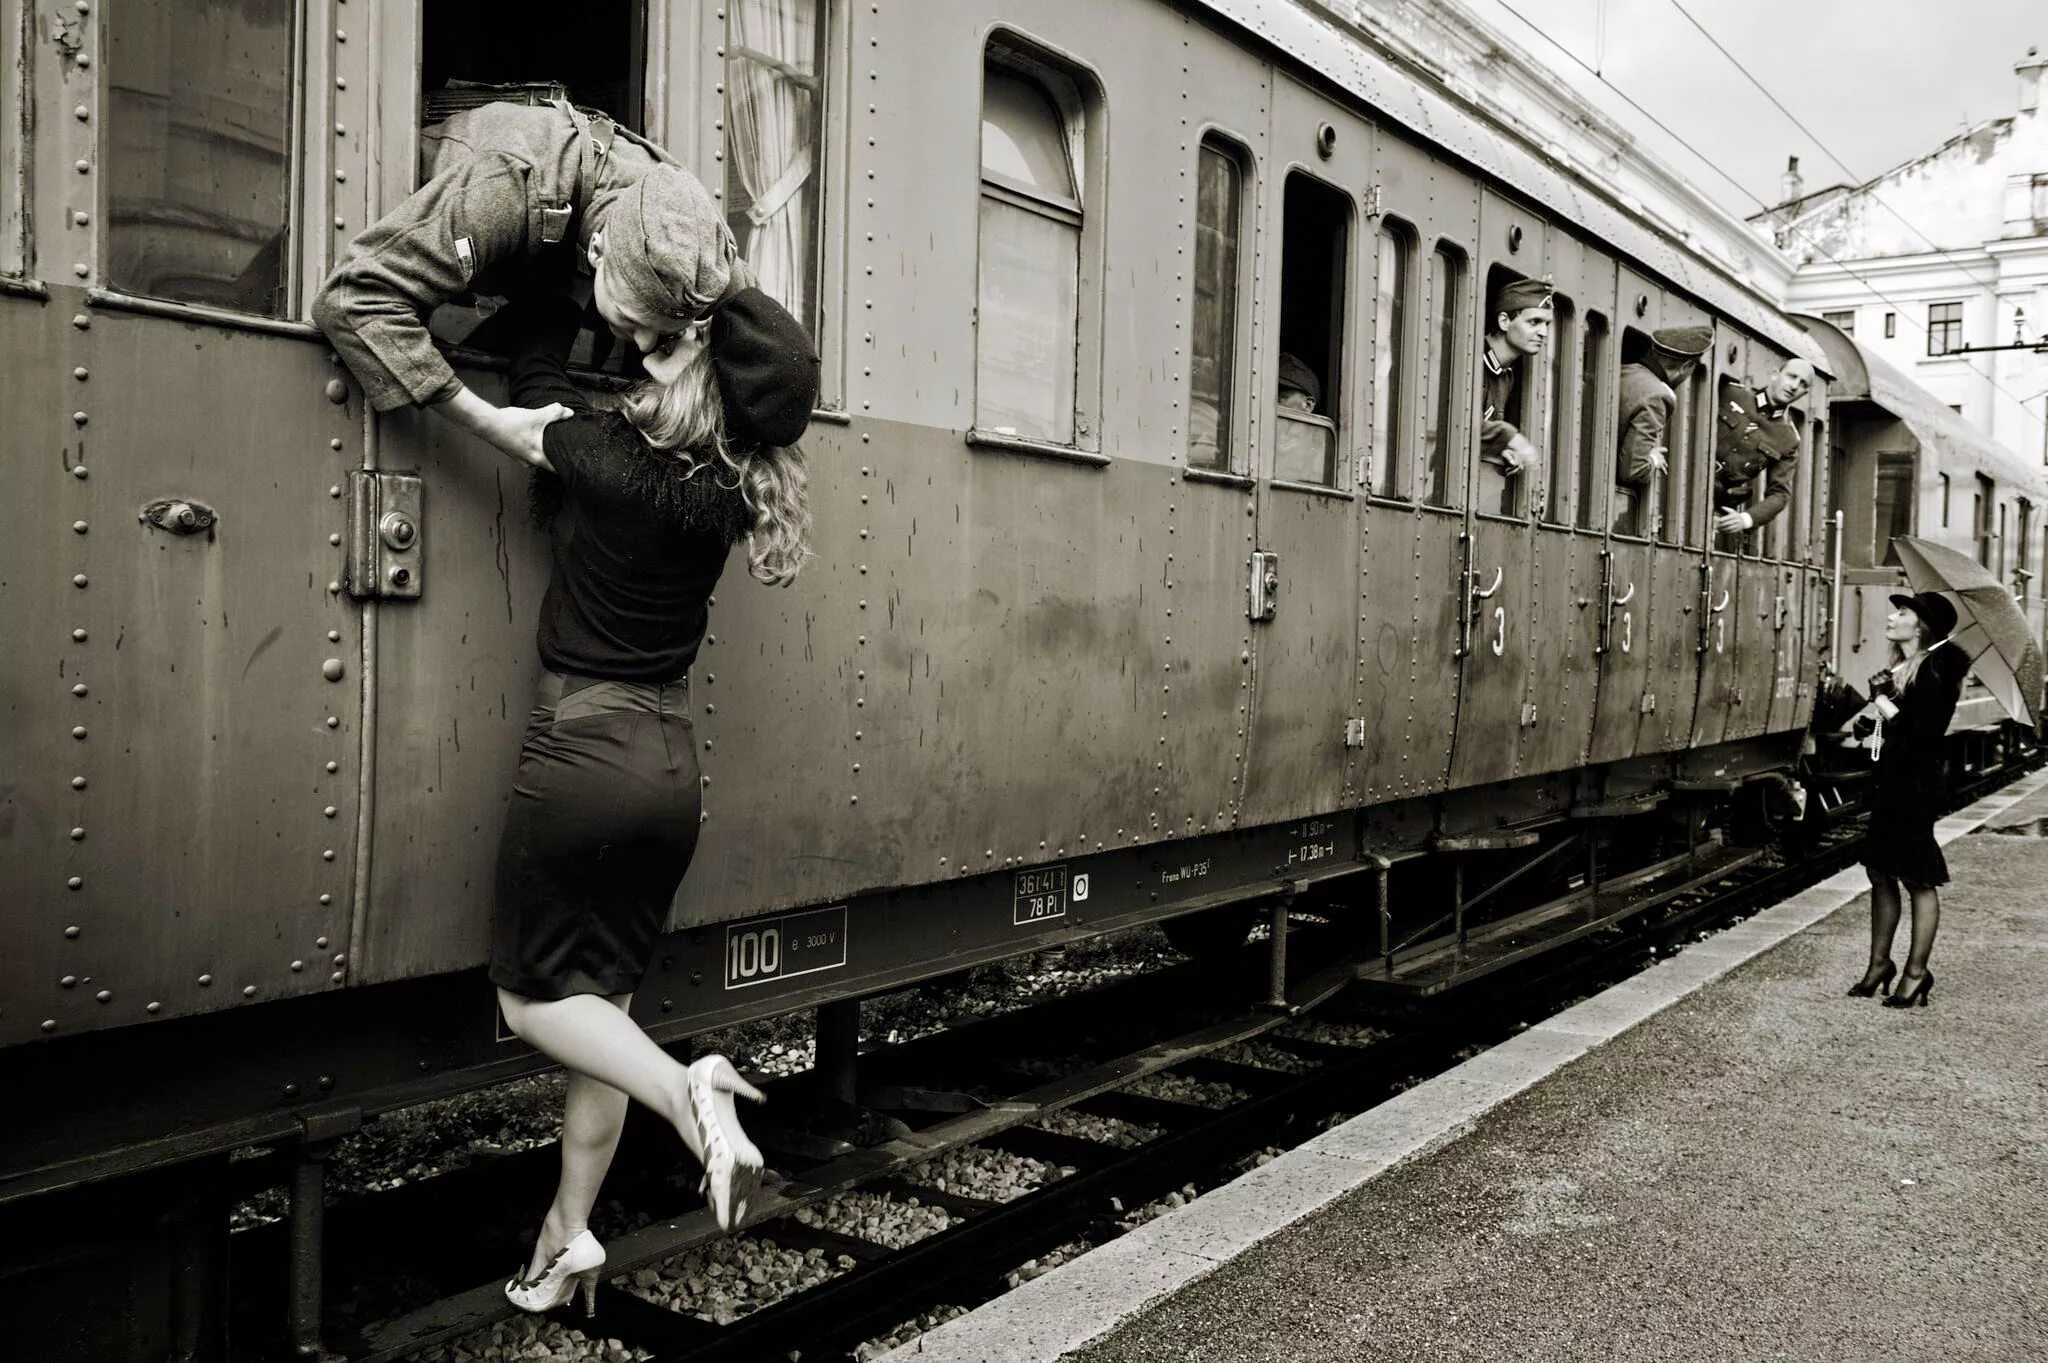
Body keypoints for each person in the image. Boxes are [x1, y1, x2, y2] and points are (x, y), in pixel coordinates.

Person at [488, 284, 819, 1316]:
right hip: (670, 767)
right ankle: (566, 1233)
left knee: (530, 1000)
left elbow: (534, 396)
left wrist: (546, 300)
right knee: (605, 1018)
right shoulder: (725, 491)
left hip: (582, 753)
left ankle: (690, 1093)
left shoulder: (602, 455)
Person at [313, 99, 742, 467]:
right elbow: (355, 298)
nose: (646, 346)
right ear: (597, 251)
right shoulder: (509, 185)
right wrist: (493, 425)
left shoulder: (702, 245)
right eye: (632, 320)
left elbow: (761, 326)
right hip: (418, 230)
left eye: (661, 334)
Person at [1848, 591, 1969, 1009]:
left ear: (1921, 627)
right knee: (1880, 871)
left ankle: (1916, 973)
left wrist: (1883, 698)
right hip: (1891, 780)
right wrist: (1872, 716)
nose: (1892, 616)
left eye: (1902, 612)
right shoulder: (1904, 668)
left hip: (1916, 786)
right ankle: (1879, 964)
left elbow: (1923, 735)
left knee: (1918, 877)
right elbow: (1887, 726)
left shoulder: (1938, 669)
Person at [1613, 325, 1710, 535]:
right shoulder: (1658, 395)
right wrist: (1653, 460)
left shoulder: (1622, 371)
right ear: (1686, 367)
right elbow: (1632, 470)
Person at [1712, 357, 1814, 539]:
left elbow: (1780, 494)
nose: (1794, 386)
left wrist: (1746, 519)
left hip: (1714, 508)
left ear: (1804, 393)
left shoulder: (1788, 438)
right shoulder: (1730, 393)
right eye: (1792, 376)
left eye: (1802, 383)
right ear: (1775, 375)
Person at [1479, 279, 1552, 513]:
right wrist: (1512, 438)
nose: (1544, 333)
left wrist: (1502, 450)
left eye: (1546, 324)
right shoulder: (1473, 360)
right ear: (1504, 321)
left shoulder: (1505, 374)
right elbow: (1459, 423)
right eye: (1534, 322)